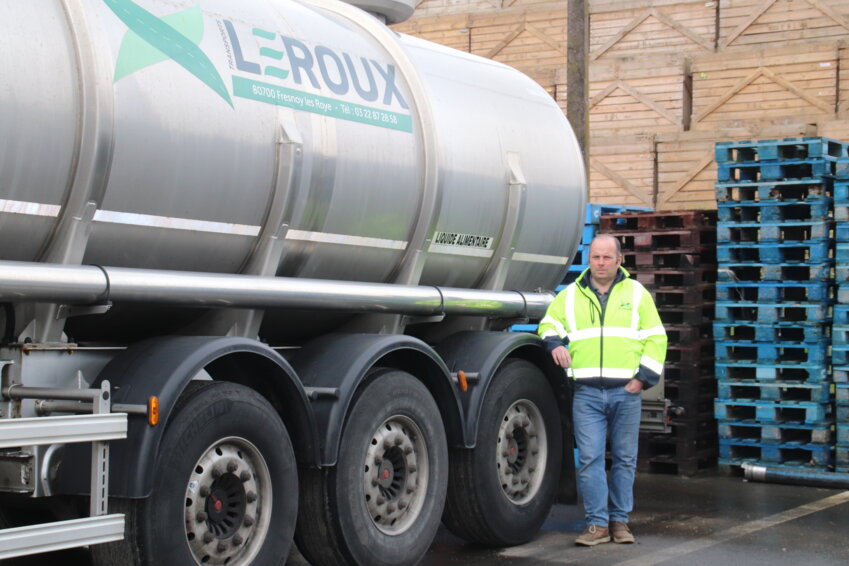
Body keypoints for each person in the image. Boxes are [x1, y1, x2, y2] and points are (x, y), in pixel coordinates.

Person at [538, 233, 667, 546]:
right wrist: (554, 344)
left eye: (607, 257)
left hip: (627, 392)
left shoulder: (636, 294)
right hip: (587, 395)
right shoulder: (571, 296)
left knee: (624, 460)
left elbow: (656, 337)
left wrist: (643, 379)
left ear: (619, 260)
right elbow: (548, 324)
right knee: (590, 459)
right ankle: (597, 525)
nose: (600, 263)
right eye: (595, 257)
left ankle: (620, 522)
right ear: (590, 259)